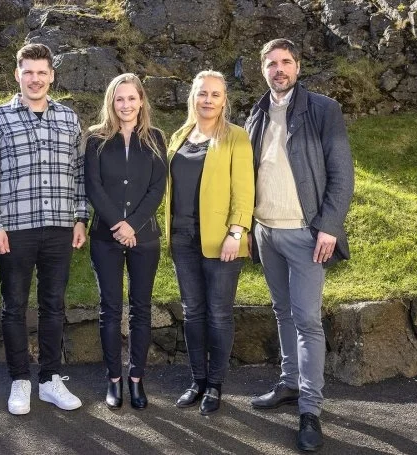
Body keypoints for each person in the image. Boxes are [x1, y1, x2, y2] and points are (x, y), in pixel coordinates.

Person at [245, 38, 354, 452]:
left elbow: (342, 174)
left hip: (306, 234)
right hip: (266, 231)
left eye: (286, 62)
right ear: (263, 70)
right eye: (271, 63)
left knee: (307, 319)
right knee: (282, 310)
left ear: (298, 66)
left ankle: (310, 408)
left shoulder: (323, 109)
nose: (279, 69)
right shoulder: (255, 114)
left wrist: (328, 226)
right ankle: (290, 384)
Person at [0, 43, 88, 415]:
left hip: (58, 227)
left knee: (53, 306)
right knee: (15, 307)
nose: (35, 79)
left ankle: (50, 380)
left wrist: (79, 217)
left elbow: (79, 174)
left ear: (52, 75)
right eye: (29, 72)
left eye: (42, 72)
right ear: (17, 74)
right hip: (15, 230)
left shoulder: (69, 119)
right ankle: (21, 379)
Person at [165, 70, 254, 416]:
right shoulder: (179, 136)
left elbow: (244, 190)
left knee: (218, 314)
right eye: (203, 93)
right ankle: (196, 380)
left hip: (221, 241)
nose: (208, 100)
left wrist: (236, 232)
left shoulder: (236, 137)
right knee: (192, 312)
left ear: (224, 100)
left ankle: (215, 385)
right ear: (193, 97)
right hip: (183, 238)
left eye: (216, 94)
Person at [84, 73, 167, 410]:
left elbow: (157, 188)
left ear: (141, 101)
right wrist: (118, 225)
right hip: (105, 237)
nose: (126, 105)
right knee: (110, 309)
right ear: (111, 102)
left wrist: (132, 225)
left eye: (132, 98)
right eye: (120, 99)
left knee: (141, 309)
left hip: (144, 237)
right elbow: (93, 186)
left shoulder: (156, 139)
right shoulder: (96, 140)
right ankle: (113, 380)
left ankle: (136, 379)